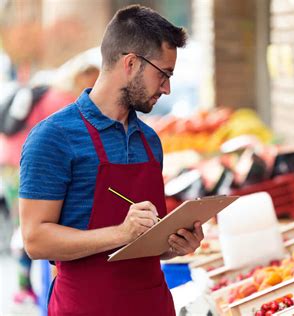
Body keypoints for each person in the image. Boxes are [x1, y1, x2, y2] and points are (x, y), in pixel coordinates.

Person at [18, 5, 203, 315]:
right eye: (163, 74)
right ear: (131, 63)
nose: (168, 88)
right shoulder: (53, 137)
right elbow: (35, 239)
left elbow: (145, 241)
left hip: (152, 305)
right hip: (86, 306)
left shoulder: (150, 141)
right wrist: (121, 233)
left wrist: (174, 245)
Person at [0, 64, 99, 305]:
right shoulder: (62, 100)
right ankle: (25, 285)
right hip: (25, 165)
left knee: (20, 226)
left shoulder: (44, 94)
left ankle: (24, 285)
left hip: (10, 161)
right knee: (29, 229)